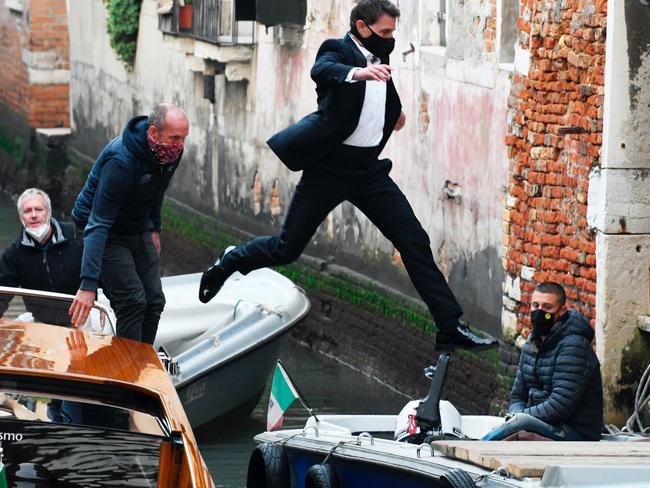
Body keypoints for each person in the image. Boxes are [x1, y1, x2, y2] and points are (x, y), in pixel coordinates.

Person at [198, 0, 496, 351]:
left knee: (414, 240)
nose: (390, 39)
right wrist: (358, 74)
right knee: (286, 248)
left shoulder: (378, 54)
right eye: (385, 32)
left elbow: (382, 92)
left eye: (392, 33)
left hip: (368, 172)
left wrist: (394, 113)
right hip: (329, 169)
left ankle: (449, 326)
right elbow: (322, 71)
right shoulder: (338, 50)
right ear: (361, 27)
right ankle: (231, 259)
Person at [68, 103, 189, 344]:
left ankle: (141, 361)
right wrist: (88, 284)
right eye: (175, 137)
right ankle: (125, 374)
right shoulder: (121, 161)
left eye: (184, 138)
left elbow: (157, 189)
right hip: (99, 230)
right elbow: (97, 223)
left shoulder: (169, 152)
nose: (180, 145)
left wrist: (154, 226)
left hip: (136, 226)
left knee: (154, 300)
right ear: (154, 133)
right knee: (133, 301)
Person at [483, 281, 603, 441]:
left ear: (561, 312)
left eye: (547, 307)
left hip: (573, 432)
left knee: (514, 436)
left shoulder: (574, 347)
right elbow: (517, 396)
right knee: (503, 432)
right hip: (537, 423)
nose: (539, 312)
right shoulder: (531, 343)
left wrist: (520, 419)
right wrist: (515, 416)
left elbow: (559, 406)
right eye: (535, 305)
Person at [0, 188, 82, 326]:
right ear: (21, 218)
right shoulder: (14, 253)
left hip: (83, 318)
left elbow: (103, 273)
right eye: (27, 211)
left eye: (38, 209)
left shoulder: (77, 237)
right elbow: (2, 292)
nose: (33, 215)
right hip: (41, 323)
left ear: (49, 213)